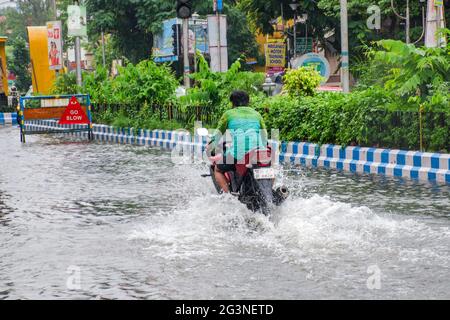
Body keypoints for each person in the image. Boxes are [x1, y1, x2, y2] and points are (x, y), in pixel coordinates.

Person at [207, 90, 267, 193]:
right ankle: (269, 190)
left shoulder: (228, 114)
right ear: (248, 102)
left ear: (232, 103)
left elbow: (217, 134)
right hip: (259, 152)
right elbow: (264, 136)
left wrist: (210, 146)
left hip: (238, 152)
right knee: (269, 169)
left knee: (218, 169)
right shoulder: (257, 115)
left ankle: (228, 197)